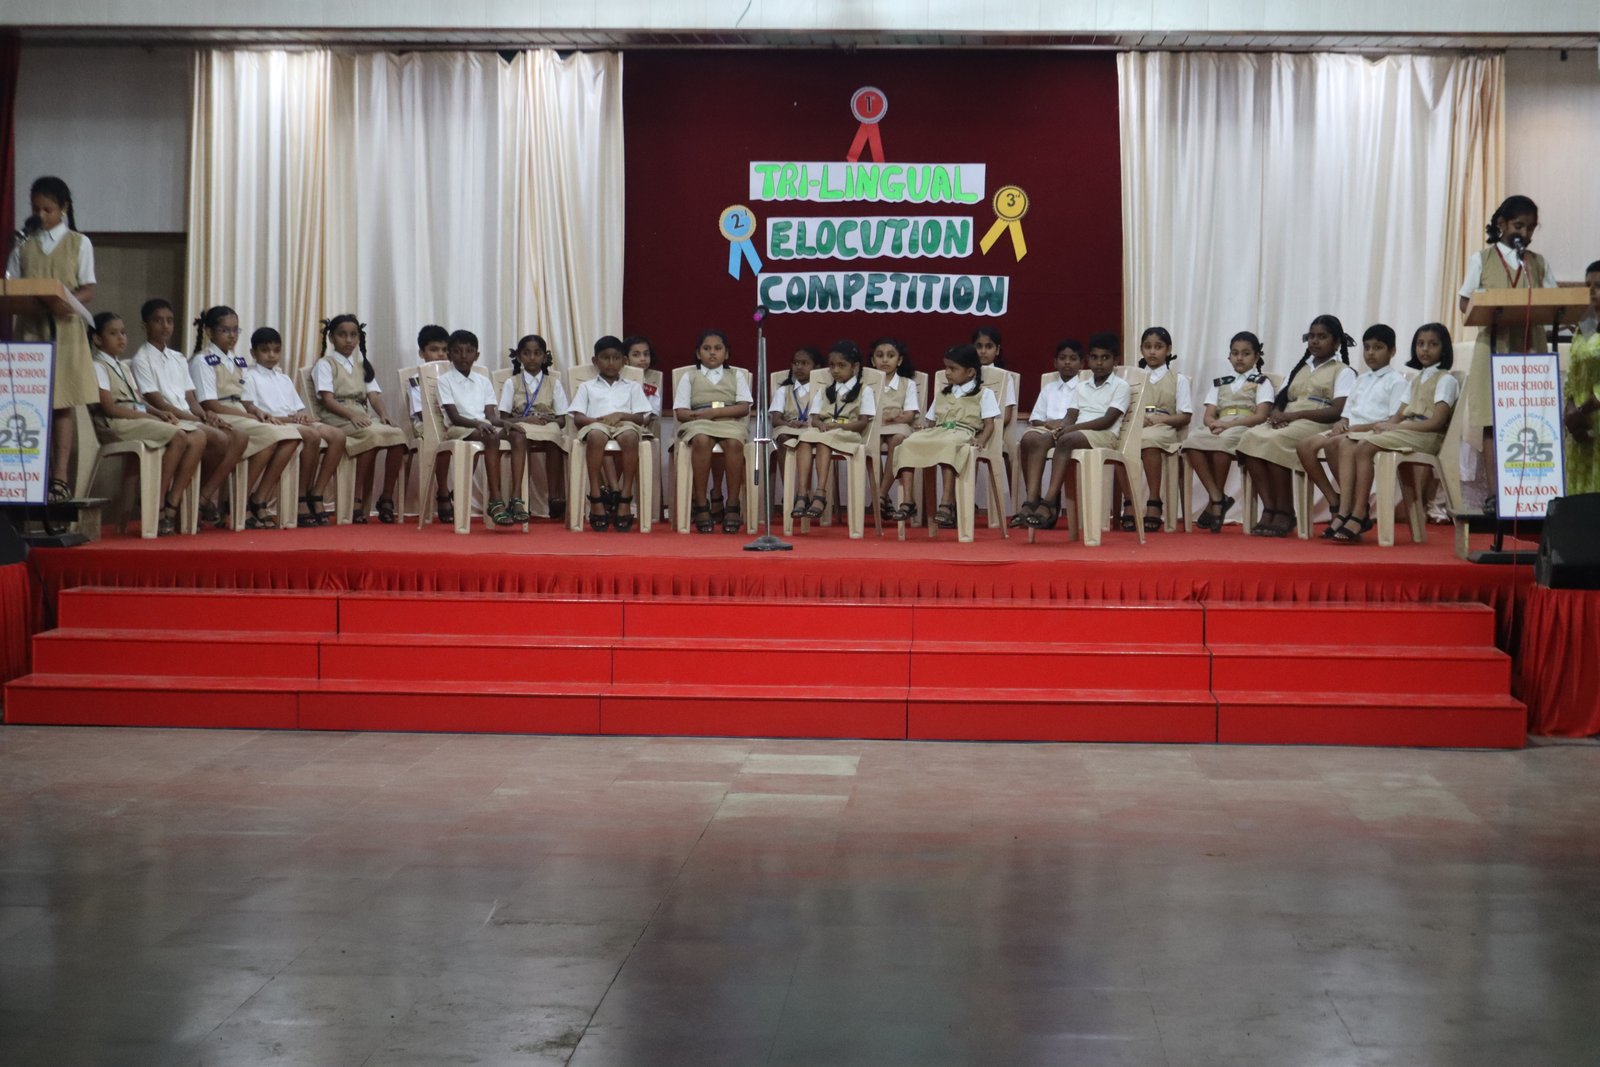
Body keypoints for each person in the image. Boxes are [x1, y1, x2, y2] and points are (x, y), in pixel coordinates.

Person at [1459, 195, 1556, 510]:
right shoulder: (1482, 259)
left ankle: (1532, 492)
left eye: (1531, 228)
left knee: (1533, 419)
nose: (1525, 234)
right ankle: (1495, 493)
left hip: (1531, 348)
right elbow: (1465, 302)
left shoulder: (1537, 263)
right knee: (1493, 421)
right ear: (1501, 224)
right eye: (1518, 225)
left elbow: (1555, 301)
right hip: (1494, 348)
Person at [7, 177, 96, 501]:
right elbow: (11, 285)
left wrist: (66, 299)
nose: (41, 215)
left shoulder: (78, 243)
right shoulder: (23, 244)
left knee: (61, 404)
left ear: (64, 208)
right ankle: (28, 475)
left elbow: (88, 288)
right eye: (36, 209)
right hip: (31, 330)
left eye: (48, 209)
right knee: (29, 403)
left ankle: (59, 477)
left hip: (64, 329)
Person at [1331, 323, 1462, 542]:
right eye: (1420, 344)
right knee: (1354, 441)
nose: (1425, 349)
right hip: (1410, 430)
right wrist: (1382, 427)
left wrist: (1395, 427)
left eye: (1433, 344)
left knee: (1365, 446)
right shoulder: (1417, 379)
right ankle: (1355, 510)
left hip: (1427, 435)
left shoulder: (1446, 380)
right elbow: (1399, 414)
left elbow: (1436, 422)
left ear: (1444, 348)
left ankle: (1359, 513)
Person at [132, 298, 247, 528]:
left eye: (170, 321)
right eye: (158, 321)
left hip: (187, 416)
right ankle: (174, 502)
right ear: (145, 325)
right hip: (167, 417)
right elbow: (158, 402)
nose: (165, 326)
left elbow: (190, 399)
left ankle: (198, 497)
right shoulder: (141, 359)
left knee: (238, 436)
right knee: (217, 438)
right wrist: (197, 419)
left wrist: (205, 415)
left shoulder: (177, 358)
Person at [1237, 315, 1356, 537]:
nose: (1315, 341)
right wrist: (1276, 414)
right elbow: (1282, 399)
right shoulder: (1300, 368)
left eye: (1322, 337)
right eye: (1311, 336)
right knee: (1249, 438)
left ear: (1337, 342)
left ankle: (1285, 511)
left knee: (1275, 441)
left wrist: (1295, 416)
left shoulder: (1343, 371)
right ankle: (1270, 508)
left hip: (1317, 422)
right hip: (1290, 419)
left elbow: (1337, 410)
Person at [88, 312, 204, 536]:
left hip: (134, 418)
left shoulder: (123, 366)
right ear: (97, 339)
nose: (121, 338)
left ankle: (172, 501)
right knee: (178, 435)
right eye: (113, 333)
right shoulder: (98, 366)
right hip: (116, 423)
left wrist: (159, 413)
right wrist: (148, 418)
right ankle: (157, 502)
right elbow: (109, 408)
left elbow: (138, 401)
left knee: (197, 436)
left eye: (123, 333)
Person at [188, 306, 302, 528]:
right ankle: (231, 501)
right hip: (219, 414)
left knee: (289, 436)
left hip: (240, 413)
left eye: (235, 330)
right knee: (272, 436)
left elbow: (246, 400)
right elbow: (209, 403)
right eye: (225, 330)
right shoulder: (203, 360)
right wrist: (249, 416)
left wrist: (257, 412)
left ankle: (255, 497)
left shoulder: (237, 361)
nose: (232, 335)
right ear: (210, 332)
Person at [1295, 324, 1410, 534]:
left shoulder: (1396, 381)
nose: (1371, 353)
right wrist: (1341, 423)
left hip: (1372, 432)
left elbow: (1391, 421)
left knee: (1335, 443)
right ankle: (1337, 500)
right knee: (1305, 446)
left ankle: (1349, 510)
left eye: (1378, 348)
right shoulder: (1361, 379)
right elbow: (1347, 412)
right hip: (1352, 430)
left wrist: (1354, 428)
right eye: (1367, 348)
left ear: (1392, 351)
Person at [242, 327, 347, 527]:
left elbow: (298, 408)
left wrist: (302, 415)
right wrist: (293, 419)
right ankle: (297, 497)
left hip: (292, 421)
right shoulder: (249, 376)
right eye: (265, 350)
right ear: (253, 352)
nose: (271, 355)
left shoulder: (283, 378)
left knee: (338, 435)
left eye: (276, 350)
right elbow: (253, 410)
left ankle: (316, 493)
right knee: (312, 435)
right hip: (274, 422)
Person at [890, 343, 1000, 530]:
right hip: (939, 430)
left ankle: (947, 503)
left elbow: (990, 424)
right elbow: (932, 421)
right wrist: (922, 429)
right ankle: (908, 501)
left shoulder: (983, 394)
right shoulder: (942, 394)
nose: (947, 373)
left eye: (953, 369)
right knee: (909, 443)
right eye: (946, 368)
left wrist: (981, 440)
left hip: (962, 431)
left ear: (970, 372)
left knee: (949, 444)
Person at [311, 314, 407, 524]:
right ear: (331, 338)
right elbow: (327, 400)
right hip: (335, 416)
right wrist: (351, 415)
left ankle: (386, 497)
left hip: (360, 416)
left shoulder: (362, 366)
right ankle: (356, 497)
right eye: (342, 335)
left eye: (353, 335)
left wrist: (384, 415)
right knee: (370, 435)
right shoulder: (325, 364)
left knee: (398, 435)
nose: (348, 340)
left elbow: (373, 396)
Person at [1034, 333, 1131, 529]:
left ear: (1116, 361)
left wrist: (1070, 429)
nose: (1099, 363)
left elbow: (1107, 421)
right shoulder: (1081, 386)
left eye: (1105, 358)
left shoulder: (1121, 386)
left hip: (1105, 435)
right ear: (1088, 359)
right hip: (1078, 433)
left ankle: (1049, 502)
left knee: (1067, 439)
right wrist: (1061, 428)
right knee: (1041, 439)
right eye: (1095, 357)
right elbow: (1071, 416)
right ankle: (1032, 501)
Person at [1183, 332, 1273, 532]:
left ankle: (1215, 503)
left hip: (1243, 425)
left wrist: (1228, 425)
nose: (1239, 358)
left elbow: (1260, 416)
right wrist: (1214, 424)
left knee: (1223, 442)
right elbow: (1208, 415)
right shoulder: (1220, 383)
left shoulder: (1261, 382)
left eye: (1246, 354)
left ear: (1256, 356)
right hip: (1220, 424)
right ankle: (1217, 496)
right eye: (1235, 353)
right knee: (1191, 441)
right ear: (1229, 356)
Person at [789, 340, 875, 523]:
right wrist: (819, 424)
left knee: (823, 440)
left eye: (841, 365)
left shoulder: (864, 390)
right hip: (826, 430)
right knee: (805, 437)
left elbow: (862, 423)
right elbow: (814, 418)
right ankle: (802, 493)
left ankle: (820, 493)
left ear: (855, 367)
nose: (835, 370)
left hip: (847, 432)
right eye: (832, 366)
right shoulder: (825, 391)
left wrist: (839, 427)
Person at [570, 336, 652, 531]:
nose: (611, 362)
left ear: (623, 361)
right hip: (596, 424)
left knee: (630, 436)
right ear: (595, 361)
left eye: (616, 358)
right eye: (605, 358)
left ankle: (625, 497)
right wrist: (598, 421)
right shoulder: (587, 387)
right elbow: (578, 418)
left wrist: (621, 415)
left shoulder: (632, 387)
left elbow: (640, 418)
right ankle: (596, 496)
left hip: (625, 424)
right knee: (596, 435)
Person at [675, 329, 751, 534]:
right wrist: (700, 415)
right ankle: (701, 504)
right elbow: (681, 412)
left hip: (729, 422)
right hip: (699, 422)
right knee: (701, 440)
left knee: (734, 443)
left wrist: (714, 413)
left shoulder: (736, 375)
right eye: (706, 348)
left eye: (718, 348)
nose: (712, 353)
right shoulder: (690, 376)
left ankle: (732, 504)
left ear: (726, 354)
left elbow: (743, 408)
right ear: (698, 353)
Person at [1117, 326, 1191, 532]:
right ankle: (1129, 501)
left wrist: (1162, 419)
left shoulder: (1178, 379)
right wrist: (1137, 419)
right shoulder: (1133, 379)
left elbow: (1185, 415)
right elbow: (1123, 409)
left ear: (1168, 349)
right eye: (1147, 347)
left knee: (1150, 441)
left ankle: (1154, 500)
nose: (1152, 352)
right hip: (1138, 425)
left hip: (1164, 427)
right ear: (1141, 349)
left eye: (1158, 347)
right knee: (1121, 444)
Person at [435, 329, 512, 526]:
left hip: (483, 428)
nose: (463, 356)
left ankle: (516, 500)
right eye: (457, 351)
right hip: (458, 428)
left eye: (469, 351)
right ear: (449, 355)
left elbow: (491, 417)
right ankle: (496, 499)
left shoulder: (483, 381)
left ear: (476, 355)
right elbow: (454, 417)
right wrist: (479, 423)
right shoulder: (444, 380)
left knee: (516, 434)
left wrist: (505, 423)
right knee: (491, 436)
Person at [499, 334, 570, 523]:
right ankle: (521, 498)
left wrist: (549, 419)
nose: (532, 358)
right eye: (527, 353)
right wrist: (526, 419)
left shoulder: (553, 383)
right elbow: (503, 419)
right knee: (521, 433)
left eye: (537, 353)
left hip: (547, 426)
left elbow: (562, 420)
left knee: (554, 434)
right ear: (519, 357)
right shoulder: (512, 382)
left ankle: (555, 497)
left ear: (544, 357)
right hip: (522, 424)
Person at [1013, 339, 1083, 528]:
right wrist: (1048, 424)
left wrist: (1060, 425)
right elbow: (1036, 418)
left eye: (1073, 358)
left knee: (1043, 439)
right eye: (1063, 358)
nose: (1067, 362)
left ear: (1082, 363)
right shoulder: (1049, 388)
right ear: (1055, 362)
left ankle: (1041, 503)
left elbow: (1081, 416)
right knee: (1027, 438)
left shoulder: (1083, 387)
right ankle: (1033, 496)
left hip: (1070, 430)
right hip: (1046, 427)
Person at [870, 337, 919, 520]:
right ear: (872, 360)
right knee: (872, 444)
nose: (885, 360)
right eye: (879, 355)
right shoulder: (867, 384)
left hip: (899, 425)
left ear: (899, 360)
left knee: (897, 440)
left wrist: (892, 418)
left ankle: (881, 494)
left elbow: (909, 415)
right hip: (875, 427)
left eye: (890, 356)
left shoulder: (907, 384)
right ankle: (885, 499)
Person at [1564, 260, 1600, 495]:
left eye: (1598, 286)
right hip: (1581, 425)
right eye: (1588, 286)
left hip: (1593, 413)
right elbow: (1573, 369)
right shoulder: (1587, 321)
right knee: (1581, 498)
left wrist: (1581, 411)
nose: (1592, 291)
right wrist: (1570, 412)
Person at [409, 324, 450, 438]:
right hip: (426, 425)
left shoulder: (453, 377)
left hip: (451, 422)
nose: (441, 354)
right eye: (434, 350)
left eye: (445, 350)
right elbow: (422, 414)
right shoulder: (416, 380)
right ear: (421, 353)